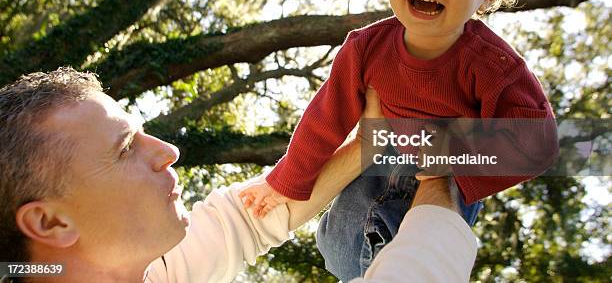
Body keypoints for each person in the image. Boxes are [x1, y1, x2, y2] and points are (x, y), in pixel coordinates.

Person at [239, 0, 559, 281]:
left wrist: (453, 155)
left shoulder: (494, 65)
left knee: (408, 255)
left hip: (447, 173)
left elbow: (538, 141)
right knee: (337, 246)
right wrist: (283, 182)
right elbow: (324, 121)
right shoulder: (365, 47)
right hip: (380, 158)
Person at [0, 68, 477, 282]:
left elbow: (249, 218)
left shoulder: (157, 270)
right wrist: (441, 177)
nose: (169, 151)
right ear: (49, 224)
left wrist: (372, 140)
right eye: (125, 148)